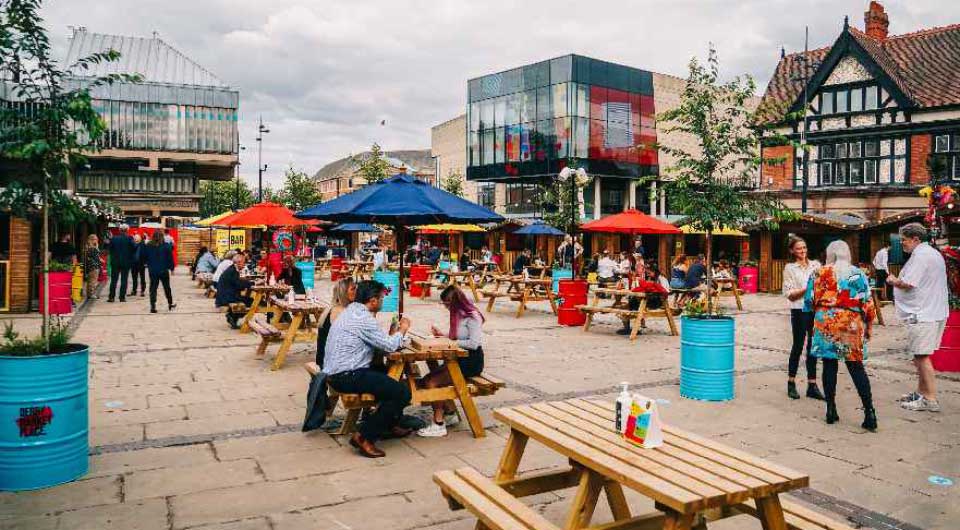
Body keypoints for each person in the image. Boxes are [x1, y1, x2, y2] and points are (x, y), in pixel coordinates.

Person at [324, 280, 412, 458]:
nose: (382, 302)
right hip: (346, 375)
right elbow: (389, 346)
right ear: (372, 300)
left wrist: (391, 335)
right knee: (401, 392)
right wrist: (402, 330)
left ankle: (388, 424)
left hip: (336, 371)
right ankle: (364, 437)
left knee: (388, 378)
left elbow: (378, 342)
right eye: (381, 298)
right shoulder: (363, 318)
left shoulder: (351, 311)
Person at [804, 240, 877, 431]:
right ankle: (869, 411)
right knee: (855, 366)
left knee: (829, 364)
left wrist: (821, 312)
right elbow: (867, 303)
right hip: (849, 322)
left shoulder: (818, 272)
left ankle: (831, 409)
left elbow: (808, 301)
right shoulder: (857, 273)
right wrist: (869, 326)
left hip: (826, 320)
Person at [887, 223, 948, 413]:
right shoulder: (931, 253)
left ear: (915, 239)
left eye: (904, 240)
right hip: (932, 310)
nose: (902, 244)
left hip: (923, 312)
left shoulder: (921, 255)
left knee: (921, 356)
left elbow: (908, 283)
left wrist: (893, 280)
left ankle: (929, 399)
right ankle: (922, 392)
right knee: (920, 354)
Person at [417, 286, 486, 437]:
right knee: (429, 378)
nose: (446, 307)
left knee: (432, 382)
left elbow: (473, 343)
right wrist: (443, 335)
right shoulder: (458, 315)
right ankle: (449, 413)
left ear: (456, 302)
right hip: (459, 359)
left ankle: (439, 424)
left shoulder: (472, 316)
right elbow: (459, 336)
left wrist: (450, 342)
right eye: (445, 304)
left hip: (470, 362)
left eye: (448, 303)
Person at [781, 237, 824, 400]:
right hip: (799, 310)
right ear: (792, 251)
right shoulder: (790, 268)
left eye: (804, 248)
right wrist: (807, 289)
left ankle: (812, 385)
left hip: (815, 310)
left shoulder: (816, 265)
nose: (802, 251)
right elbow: (790, 294)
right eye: (798, 249)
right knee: (798, 345)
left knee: (813, 347)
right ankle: (791, 383)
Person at [316, 278, 356, 367]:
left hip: (323, 360)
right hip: (333, 365)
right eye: (353, 289)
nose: (356, 291)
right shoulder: (344, 312)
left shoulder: (329, 309)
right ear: (344, 292)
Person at [141, 230, 176, 313]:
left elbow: (144, 256)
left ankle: (153, 306)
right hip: (163, 270)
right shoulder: (166, 246)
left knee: (153, 288)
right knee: (167, 287)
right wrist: (172, 268)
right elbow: (170, 258)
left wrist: (146, 263)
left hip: (153, 270)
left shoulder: (148, 245)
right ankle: (170, 303)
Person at [216, 253, 254, 328]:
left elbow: (237, 282)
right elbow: (239, 285)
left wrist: (249, 283)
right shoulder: (232, 271)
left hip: (224, 295)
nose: (244, 265)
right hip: (226, 297)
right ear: (238, 263)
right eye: (244, 263)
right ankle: (233, 317)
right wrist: (252, 283)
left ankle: (232, 316)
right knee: (251, 302)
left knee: (247, 300)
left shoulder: (232, 269)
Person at [107, 224, 135, 303]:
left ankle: (111, 297)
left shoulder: (114, 238)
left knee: (114, 280)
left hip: (115, 261)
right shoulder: (130, 238)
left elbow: (110, 249)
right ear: (127, 230)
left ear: (120, 230)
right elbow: (134, 248)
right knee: (124, 280)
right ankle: (122, 297)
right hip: (126, 262)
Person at [83, 234, 102, 300]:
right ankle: (91, 294)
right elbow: (95, 256)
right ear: (92, 240)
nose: (97, 240)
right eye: (95, 239)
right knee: (93, 280)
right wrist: (97, 246)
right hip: (94, 266)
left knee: (91, 280)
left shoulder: (89, 247)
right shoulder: (92, 248)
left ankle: (90, 293)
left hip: (92, 265)